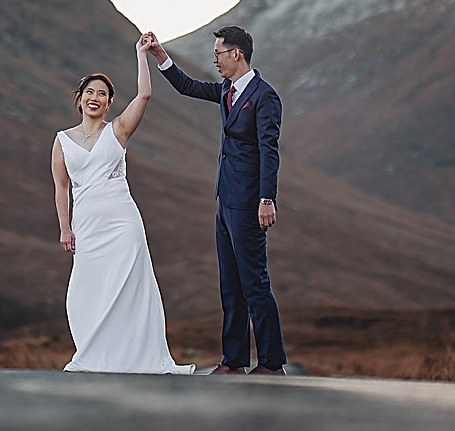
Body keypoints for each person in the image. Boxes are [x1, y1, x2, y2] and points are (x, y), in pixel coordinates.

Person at [143, 26, 287, 376]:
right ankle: (234, 360)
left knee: (254, 281)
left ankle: (271, 362)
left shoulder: (264, 97)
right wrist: (160, 56)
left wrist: (266, 198)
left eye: (219, 54)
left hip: (250, 201)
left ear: (236, 54)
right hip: (225, 199)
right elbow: (188, 86)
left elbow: (270, 151)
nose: (215, 60)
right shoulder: (226, 90)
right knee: (230, 283)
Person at [50, 34, 195, 374]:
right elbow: (61, 187)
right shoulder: (62, 141)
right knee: (86, 289)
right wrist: (64, 228)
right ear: (79, 99)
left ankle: (137, 357)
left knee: (130, 288)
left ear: (110, 102)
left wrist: (141, 54)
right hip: (86, 226)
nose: (95, 98)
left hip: (123, 223)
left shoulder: (118, 131)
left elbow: (144, 94)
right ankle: (95, 353)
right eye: (90, 92)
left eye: (102, 93)